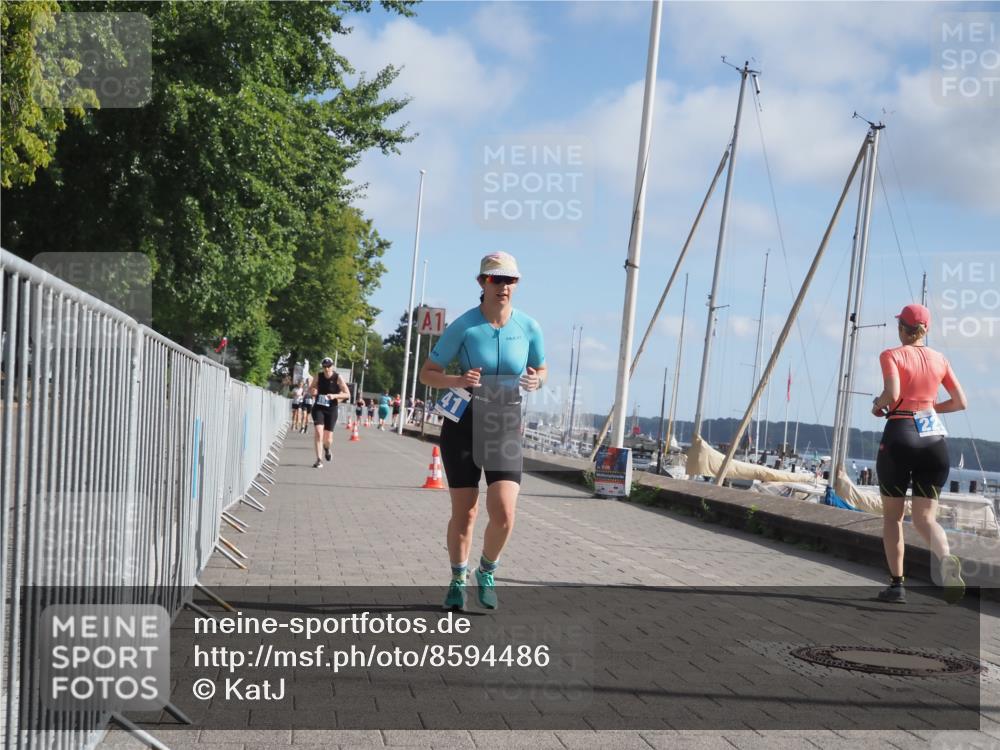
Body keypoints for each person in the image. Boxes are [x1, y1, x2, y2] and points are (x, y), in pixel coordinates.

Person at [418, 251, 546, 611]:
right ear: (482, 282)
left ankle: (486, 570)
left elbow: (542, 368)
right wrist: (457, 379)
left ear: (516, 284)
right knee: (466, 511)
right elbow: (427, 373)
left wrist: (536, 379)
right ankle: (458, 578)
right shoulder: (465, 326)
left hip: (504, 422)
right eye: (496, 279)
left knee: (504, 512)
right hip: (463, 422)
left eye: (510, 279)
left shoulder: (529, 327)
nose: (503, 286)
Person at [871, 303, 967, 604]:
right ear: (926, 330)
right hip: (933, 440)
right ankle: (947, 562)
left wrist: (878, 404)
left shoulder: (892, 355)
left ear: (902, 328)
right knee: (926, 519)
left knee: (893, 518)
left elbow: (894, 394)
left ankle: (897, 586)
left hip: (900, 435)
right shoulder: (940, 359)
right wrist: (928, 408)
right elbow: (959, 401)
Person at [311, 357, 350, 468]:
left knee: (328, 439)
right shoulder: (318, 376)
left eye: (328, 366)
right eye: (324, 367)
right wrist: (313, 391)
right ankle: (319, 459)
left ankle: (327, 449)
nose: (326, 369)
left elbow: (347, 394)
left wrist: (335, 396)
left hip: (331, 409)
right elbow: (311, 389)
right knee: (319, 432)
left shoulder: (338, 377)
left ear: (332, 366)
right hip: (319, 407)